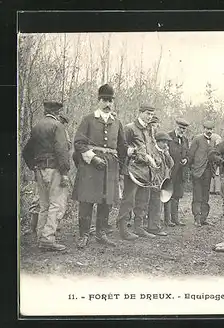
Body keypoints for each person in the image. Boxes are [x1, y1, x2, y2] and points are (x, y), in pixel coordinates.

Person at [72, 84, 128, 248]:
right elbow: (79, 143)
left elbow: (122, 147)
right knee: (86, 200)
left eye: (110, 101)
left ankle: (101, 233)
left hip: (111, 167)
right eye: (104, 100)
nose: (107, 104)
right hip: (90, 167)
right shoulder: (88, 119)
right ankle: (83, 235)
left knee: (106, 201)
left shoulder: (117, 122)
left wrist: (121, 170)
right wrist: (93, 158)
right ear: (98, 100)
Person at [22, 101, 71, 251]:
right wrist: (65, 172)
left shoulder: (36, 127)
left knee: (44, 205)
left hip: (39, 169)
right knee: (56, 204)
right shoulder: (58, 126)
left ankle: (40, 237)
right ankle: (48, 239)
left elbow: (26, 152)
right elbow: (62, 150)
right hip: (54, 169)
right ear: (57, 112)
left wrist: (33, 167)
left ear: (45, 111)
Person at [116, 104, 159, 241]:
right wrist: (138, 154)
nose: (149, 117)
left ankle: (138, 227)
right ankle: (123, 229)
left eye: (151, 114)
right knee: (129, 200)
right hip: (132, 171)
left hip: (146, 171)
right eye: (147, 113)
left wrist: (154, 158)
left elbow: (151, 147)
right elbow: (122, 148)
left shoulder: (149, 129)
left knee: (143, 201)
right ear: (140, 112)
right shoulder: (129, 128)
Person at [143, 131, 175, 235]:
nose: (166, 144)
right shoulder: (153, 152)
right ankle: (153, 227)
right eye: (164, 142)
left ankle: (154, 225)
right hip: (154, 182)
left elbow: (171, 165)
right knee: (155, 205)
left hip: (162, 181)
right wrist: (156, 181)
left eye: (167, 142)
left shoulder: (163, 152)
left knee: (158, 204)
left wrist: (167, 154)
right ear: (158, 142)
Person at [188, 121, 218, 227]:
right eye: (207, 129)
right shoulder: (197, 139)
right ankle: (197, 218)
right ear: (203, 128)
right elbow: (190, 155)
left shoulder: (214, 140)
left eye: (211, 129)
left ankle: (203, 218)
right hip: (197, 172)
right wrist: (191, 170)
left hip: (208, 172)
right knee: (197, 196)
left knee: (206, 196)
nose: (209, 131)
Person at [164, 118, 190, 226]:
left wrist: (186, 159)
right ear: (176, 126)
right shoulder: (168, 137)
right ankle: (167, 220)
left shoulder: (185, 140)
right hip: (170, 171)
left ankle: (175, 219)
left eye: (184, 129)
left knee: (177, 195)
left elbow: (187, 153)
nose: (182, 130)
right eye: (180, 128)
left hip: (180, 172)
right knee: (167, 194)